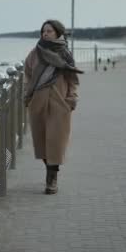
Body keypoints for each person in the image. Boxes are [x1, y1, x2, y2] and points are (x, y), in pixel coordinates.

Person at [24, 20, 83, 194]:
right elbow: (27, 75)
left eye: (49, 31)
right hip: (38, 103)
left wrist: (71, 99)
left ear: (58, 33)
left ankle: (52, 179)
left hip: (59, 103)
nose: (45, 34)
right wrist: (27, 95)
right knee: (42, 144)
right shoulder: (35, 53)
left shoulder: (64, 54)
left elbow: (73, 80)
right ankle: (50, 171)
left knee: (55, 143)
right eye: (43, 31)